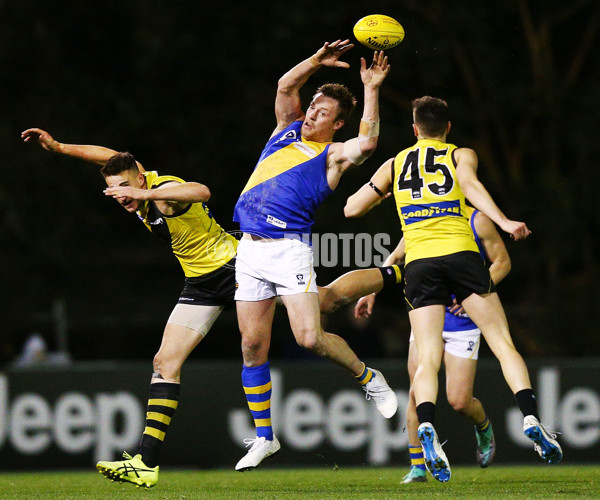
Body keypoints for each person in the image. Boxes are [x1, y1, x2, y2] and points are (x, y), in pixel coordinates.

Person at [21, 127, 403, 485]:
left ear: (140, 179)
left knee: (326, 303)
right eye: (113, 189)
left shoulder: (164, 192)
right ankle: (146, 463)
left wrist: (146, 197)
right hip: (201, 284)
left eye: (125, 187)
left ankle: (397, 275)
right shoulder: (134, 176)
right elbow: (108, 157)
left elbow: (201, 191)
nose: (120, 195)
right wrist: (59, 148)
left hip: (234, 265)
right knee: (164, 362)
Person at [344, 96, 562, 482]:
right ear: (448, 128)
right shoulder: (460, 154)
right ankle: (530, 416)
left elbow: (351, 209)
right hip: (460, 256)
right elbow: (470, 184)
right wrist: (506, 220)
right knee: (502, 343)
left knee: (427, 360)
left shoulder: (395, 164)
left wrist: (385, 190)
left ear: (414, 130)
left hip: (421, 265)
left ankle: (427, 424)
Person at [232, 40, 398, 472]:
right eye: (313, 108)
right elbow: (287, 85)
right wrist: (314, 62)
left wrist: (372, 88)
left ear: (337, 124)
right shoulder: (284, 131)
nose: (311, 114)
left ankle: (367, 376)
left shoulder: (332, 155)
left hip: (289, 250)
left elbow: (367, 144)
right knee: (252, 346)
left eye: (323, 113)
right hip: (248, 249)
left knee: (309, 336)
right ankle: (266, 438)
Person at [355, 206, 509, 483]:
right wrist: (371, 291)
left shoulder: (477, 219)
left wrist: (472, 293)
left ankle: (482, 425)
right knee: (417, 391)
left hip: (463, 321)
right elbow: (395, 258)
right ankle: (417, 467)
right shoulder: (423, 217)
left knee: (459, 401)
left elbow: (502, 262)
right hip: (426, 316)